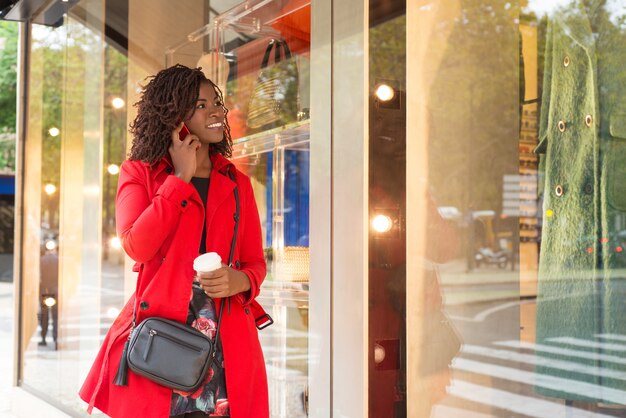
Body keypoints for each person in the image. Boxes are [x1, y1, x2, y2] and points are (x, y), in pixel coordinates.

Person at [79, 64, 269, 418]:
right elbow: (137, 245)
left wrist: (238, 279)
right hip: (160, 342)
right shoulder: (140, 173)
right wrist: (179, 178)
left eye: (218, 102)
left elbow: (255, 263)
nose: (217, 111)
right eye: (201, 104)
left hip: (227, 345)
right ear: (173, 115)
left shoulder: (237, 183)